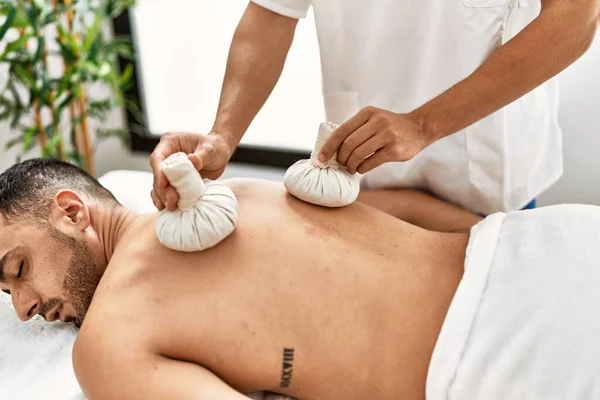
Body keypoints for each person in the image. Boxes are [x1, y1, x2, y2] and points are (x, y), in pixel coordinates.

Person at [2, 158, 600, 400]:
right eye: (7, 296)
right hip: (551, 245)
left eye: (18, 270)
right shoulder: (243, 192)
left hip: (505, 362)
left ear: (72, 212)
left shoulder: (108, 343)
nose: (24, 309)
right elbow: (404, 205)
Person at [150, 0, 600, 216]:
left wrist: (423, 125)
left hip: (487, 181)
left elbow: (575, 21)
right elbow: (271, 14)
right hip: (370, 180)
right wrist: (222, 135)